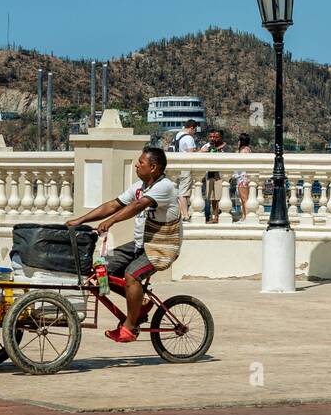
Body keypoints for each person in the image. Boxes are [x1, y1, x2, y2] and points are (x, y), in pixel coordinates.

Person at [65, 146, 181, 343]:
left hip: (162, 248)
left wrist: (111, 221)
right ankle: (140, 302)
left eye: (141, 162)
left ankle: (130, 326)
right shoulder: (138, 187)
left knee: (132, 275)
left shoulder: (165, 187)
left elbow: (137, 206)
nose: (137, 165)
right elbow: (113, 205)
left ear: (153, 167)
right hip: (139, 245)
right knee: (100, 271)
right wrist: (80, 221)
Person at [199, 128, 229, 223]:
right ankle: (214, 216)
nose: (213, 139)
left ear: (220, 137)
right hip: (210, 174)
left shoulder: (226, 148)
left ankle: (220, 216)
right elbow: (197, 154)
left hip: (221, 174)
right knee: (212, 198)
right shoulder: (207, 146)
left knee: (220, 196)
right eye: (211, 136)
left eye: (215, 137)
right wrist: (202, 152)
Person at [171, 120, 199, 219]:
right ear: (192, 128)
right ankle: (185, 215)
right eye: (195, 129)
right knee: (183, 193)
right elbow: (191, 154)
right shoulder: (188, 138)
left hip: (176, 167)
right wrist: (202, 151)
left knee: (178, 191)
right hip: (185, 167)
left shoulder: (177, 135)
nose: (195, 132)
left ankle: (179, 213)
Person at [233, 133, 253, 220]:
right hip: (241, 176)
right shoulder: (245, 149)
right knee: (242, 198)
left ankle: (246, 216)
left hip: (243, 177)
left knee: (244, 198)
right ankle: (244, 215)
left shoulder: (245, 150)